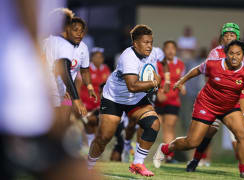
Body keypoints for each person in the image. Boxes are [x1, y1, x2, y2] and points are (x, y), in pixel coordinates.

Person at [153, 40, 244, 179]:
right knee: (192, 142)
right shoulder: (214, 64)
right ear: (226, 54)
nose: (234, 57)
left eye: (238, 54)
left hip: (229, 108)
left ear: (243, 56)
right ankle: (165, 148)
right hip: (206, 105)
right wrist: (182, 80)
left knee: (243, 135)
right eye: (231, 53)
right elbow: (197, 70)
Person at [87, 24, 168, 177]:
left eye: (151, 42)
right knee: (104, 137)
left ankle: (138, 162)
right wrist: (152, 84)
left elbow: (158, 67)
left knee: (153, 123)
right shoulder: (128, 57)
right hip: (114, 98)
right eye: (145, 42)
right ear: (135, 43)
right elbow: (132, 85)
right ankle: (88, 166)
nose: (149, 46)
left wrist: (161, 80)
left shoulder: (153, 52)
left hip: (136, 99)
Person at [186, 22, 244, 175]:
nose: (229, 37)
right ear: (222, 38)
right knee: (209, 131)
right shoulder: (215, 52)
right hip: (217, 95)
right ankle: (195, 160)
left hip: (240, 93)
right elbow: (211, 73)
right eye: (226, 35)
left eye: (232, 35)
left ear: (238, 37)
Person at [43, 14, 97, 136]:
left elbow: (84, 70)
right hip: (48, 90)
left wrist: (89, 86)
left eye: (82, 31)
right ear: (67, 29)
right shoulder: (55, 43)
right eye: (75, 30)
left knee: (65, 121)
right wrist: (77, 100)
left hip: (67, 92)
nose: (79, 34)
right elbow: (64, 70)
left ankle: (58, 148)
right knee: (50, 124)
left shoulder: (83, 48)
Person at [155, 40, 186, 162]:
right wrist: (157, 93)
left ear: (176, 50)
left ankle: (169, 156)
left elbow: (182, 80)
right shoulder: (158, 64)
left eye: (173, 48)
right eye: (167, 48)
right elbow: (153, 80)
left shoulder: (181, 64)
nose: (170, 50)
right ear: (164, 50)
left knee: (169, 127)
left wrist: (183, 87)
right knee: (155, 126)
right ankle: (142, 155)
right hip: (159, 100)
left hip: (173, 101)